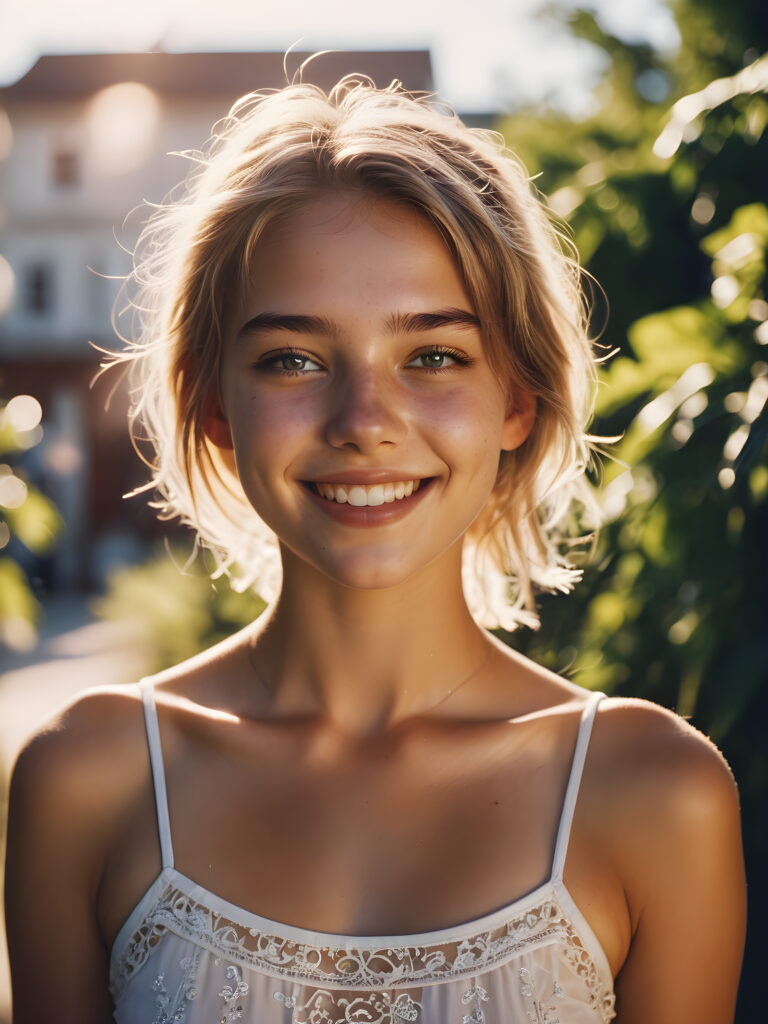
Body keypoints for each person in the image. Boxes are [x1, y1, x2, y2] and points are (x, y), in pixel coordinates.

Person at [5, 75, 746, 1024]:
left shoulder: (657, 792)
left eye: (433, 355)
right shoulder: (88, 778)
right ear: (215, 403)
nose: (365, 423)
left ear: (517, 399)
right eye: (295, 359)